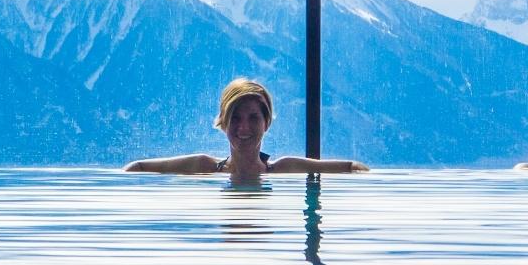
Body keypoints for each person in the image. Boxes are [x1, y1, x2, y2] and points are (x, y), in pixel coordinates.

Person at [123, 78, 369, 184]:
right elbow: (138, 167)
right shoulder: (203, 166)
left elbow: (352, 167)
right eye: (236, 118)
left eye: (253, 118)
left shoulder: (282, 168)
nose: (244, 128)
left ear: (266, 122)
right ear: (223, 122)